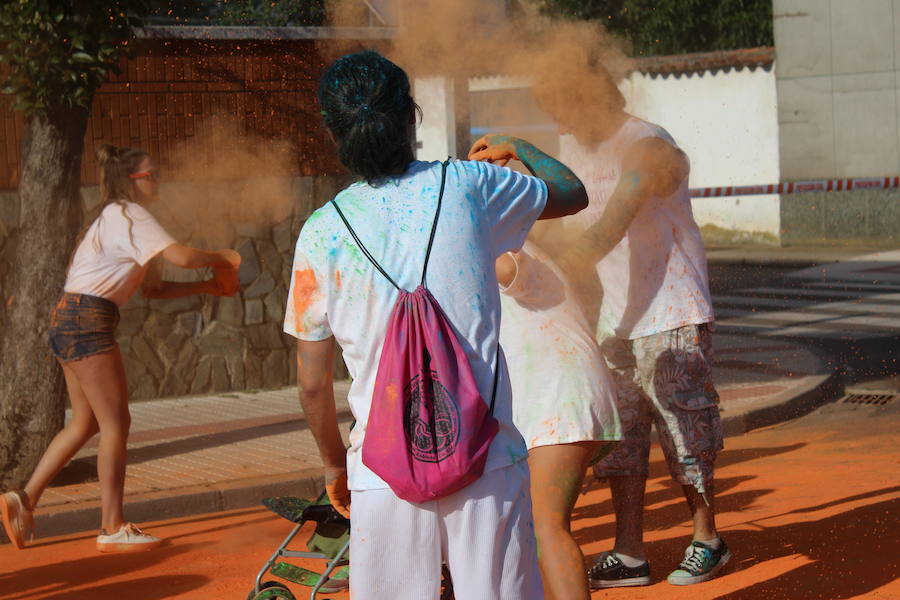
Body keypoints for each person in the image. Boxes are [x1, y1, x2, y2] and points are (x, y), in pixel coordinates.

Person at [283, 50, 586, 599]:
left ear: (335, 134)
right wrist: (521, 148)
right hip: (487, 454)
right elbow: (571, 193)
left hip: (381, 470)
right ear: (410, 118)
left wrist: (334, 465)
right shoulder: (470, 185)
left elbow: (311, 383)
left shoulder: (321, 232)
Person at [533, 66, 731, 587]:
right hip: (614, 318)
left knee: (685, 429)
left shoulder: (647, 142)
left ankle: (708, 538)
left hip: (672, 311)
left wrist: (565, 260)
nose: (564, 123)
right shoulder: (574, 149)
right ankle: (630, 552)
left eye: (566, 110)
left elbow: (613, 220)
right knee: (620, 440)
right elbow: (561, 226)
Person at [0, 144, 241, 553]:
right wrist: (223, 258)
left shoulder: (114, 216)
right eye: (152, 175)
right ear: (131, 181)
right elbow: (182, 257)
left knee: (86, 423)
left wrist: (207, 285)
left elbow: (154, 288)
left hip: (70, 318)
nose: (159, 180)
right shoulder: (130, 214)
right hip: (87, 321)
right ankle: (111, 526)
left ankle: (22, 498)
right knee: (116, 425)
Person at [489, 238, 621, 600]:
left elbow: (508, 268)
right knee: (533, 528)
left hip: (561, 402)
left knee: (546, 526)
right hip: (556, 401)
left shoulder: (504, 243)